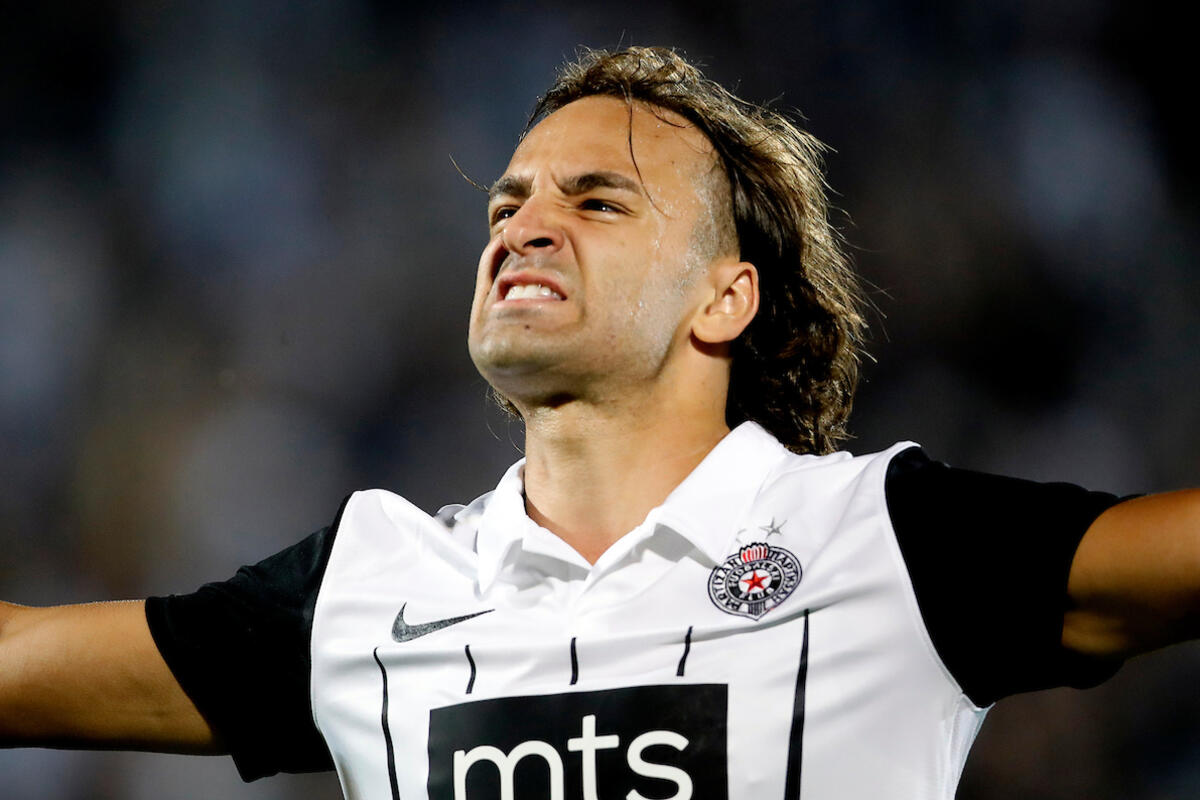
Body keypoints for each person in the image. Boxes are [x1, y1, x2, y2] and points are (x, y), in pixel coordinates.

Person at [1, 45, 1197, 800]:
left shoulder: (879, 538)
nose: (521, 226)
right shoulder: (369, 584)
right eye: (507, 203)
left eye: (598, 200)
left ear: (725, 297)